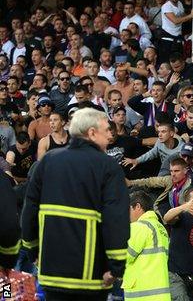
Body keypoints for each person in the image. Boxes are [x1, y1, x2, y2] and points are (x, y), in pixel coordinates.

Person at [22, 108, 129, 301]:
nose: (110, 135)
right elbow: (116, 219)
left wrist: (32, 250)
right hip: (90, 278)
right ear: (92, 133)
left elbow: (29, 210)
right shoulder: (109, 167)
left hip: (51, 274)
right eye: (106, 129)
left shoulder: (47, 161)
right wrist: (116, 267)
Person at [123, 190, 171, 301]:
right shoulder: (160, 228)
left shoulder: (138, 227)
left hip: (141, 294)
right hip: (161, 294)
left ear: (138, 206)